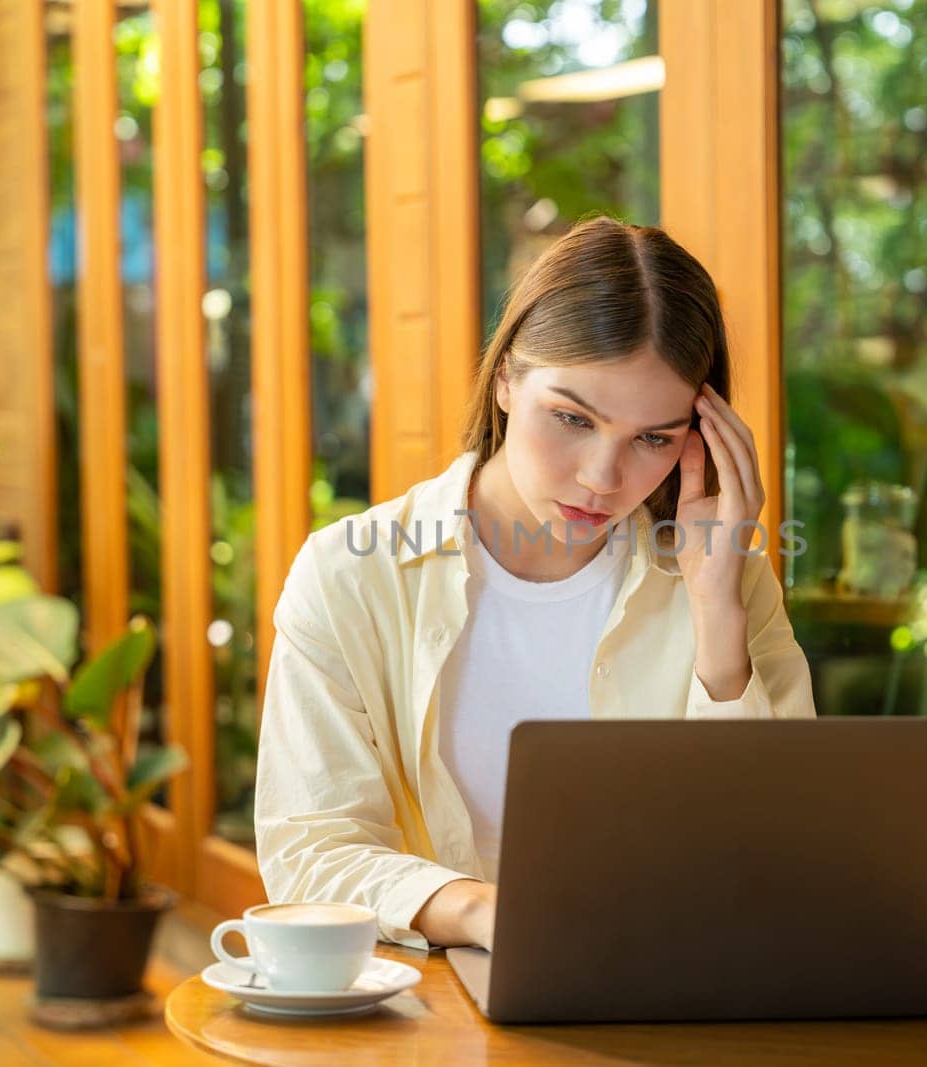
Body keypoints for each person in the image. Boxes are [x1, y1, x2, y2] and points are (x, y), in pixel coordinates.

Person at [255, 216, 816, 953]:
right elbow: (309, 848)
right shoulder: (352, 574)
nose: (602, 476)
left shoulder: (725, 575)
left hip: (667, 995)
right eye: (572, 417)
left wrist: (715, 613)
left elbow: (778, 846)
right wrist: (485, 914)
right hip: (431, 1010)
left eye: (654, 437)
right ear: (507, 380)